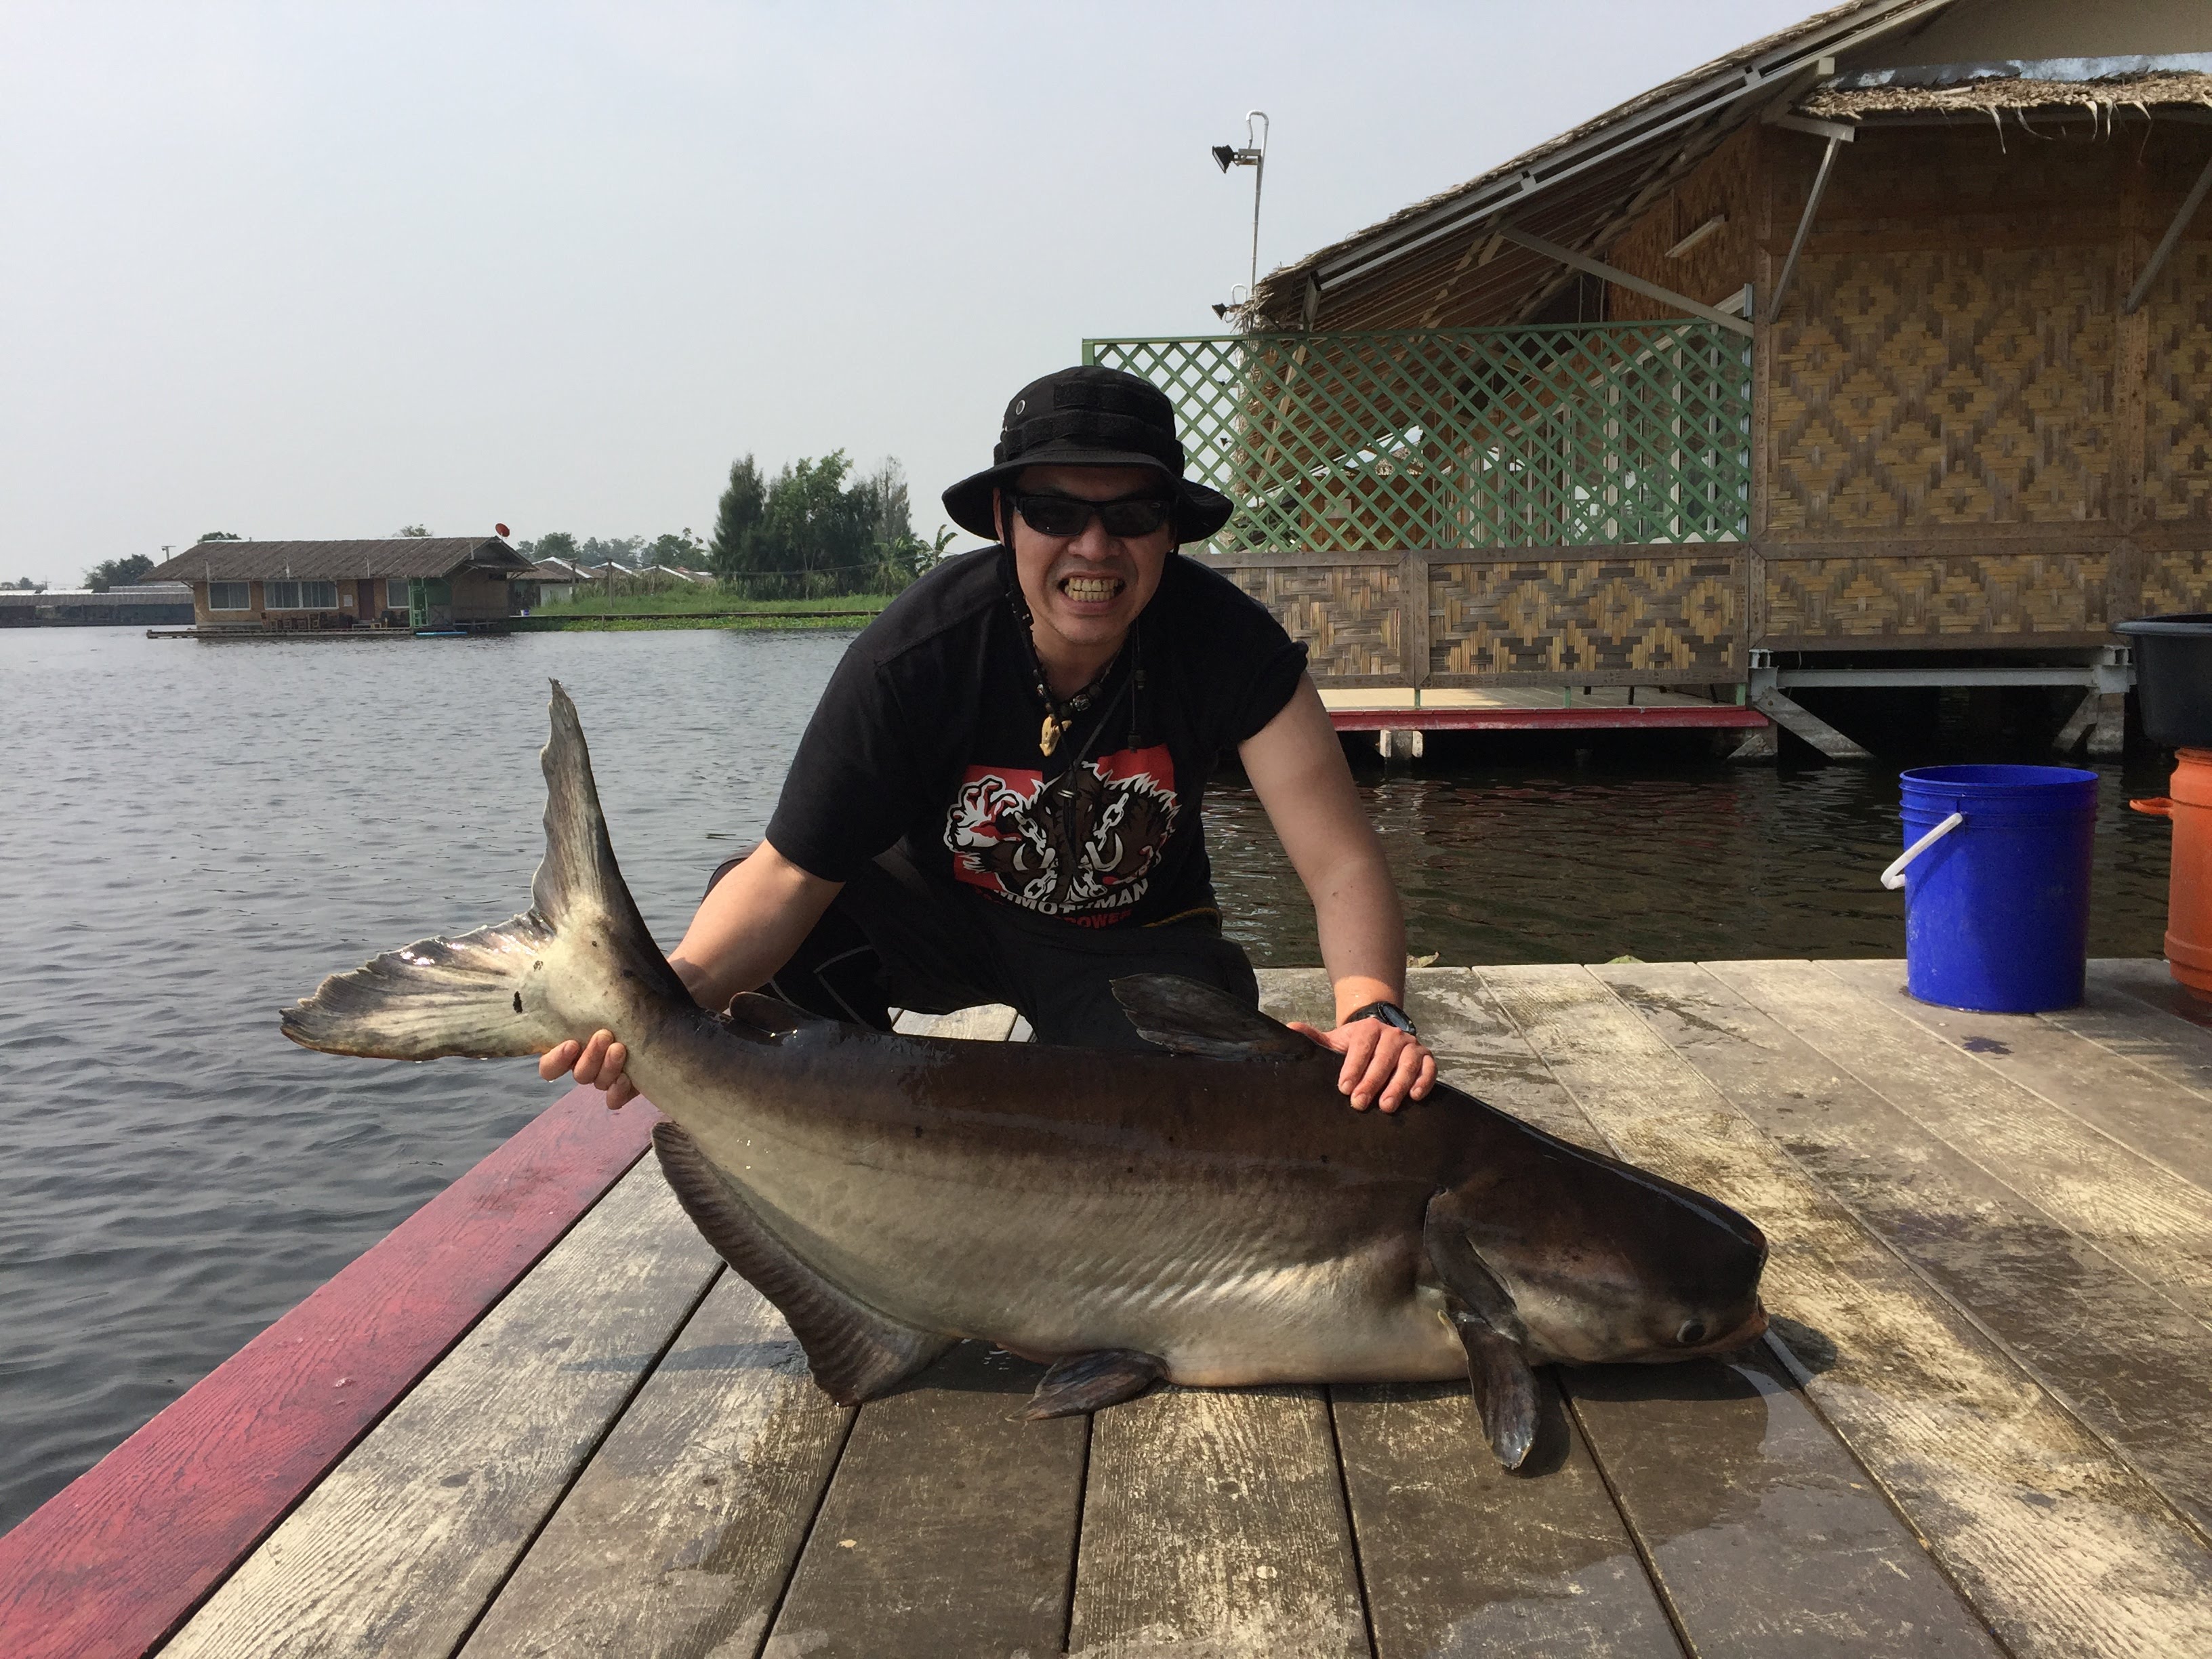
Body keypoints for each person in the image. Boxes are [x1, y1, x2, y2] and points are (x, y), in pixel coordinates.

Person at [542, 365, 1436, 1113]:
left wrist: (1372, 1014)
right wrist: (661, 1002)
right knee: (767, 937)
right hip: (943, 923)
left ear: (1170, 531)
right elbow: (786, 876)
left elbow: (1341, 865)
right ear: (1006, 521)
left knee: (1207, 1101)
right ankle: (859, 1136)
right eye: (1055, 512)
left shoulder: (1231, 645)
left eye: (1129, 516)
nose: (1094, 547)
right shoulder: (916, 654)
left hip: (1135, 940)